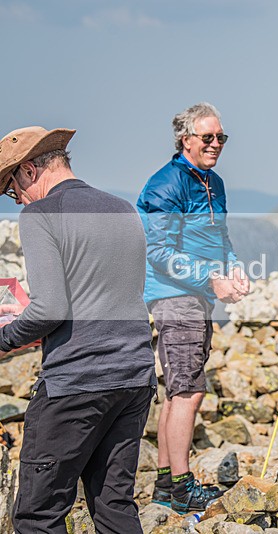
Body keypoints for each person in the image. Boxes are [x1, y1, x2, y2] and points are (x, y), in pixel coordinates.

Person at [0, 126, 156, 533]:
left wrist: (5, 339)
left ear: (29, 170)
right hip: (134, 376)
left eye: (11, 187)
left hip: (76, 382)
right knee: (114, 507)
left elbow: (51, 307)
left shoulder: (40, 214)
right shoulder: (123, 209)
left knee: (38, 514)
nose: (14, 198)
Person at [137, 102, 250, 513]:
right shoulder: (165, 184)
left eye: (222, 137)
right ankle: (184, 487)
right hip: (172, 294)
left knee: (178, 391)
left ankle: (167, 485)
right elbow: (158, 250)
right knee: (188, 391)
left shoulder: (213, 182)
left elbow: (220, 239)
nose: (216, 143)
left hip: (196, 295)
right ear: (186, 140)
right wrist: (210, 278)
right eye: (208, 137)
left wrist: (233, 270)